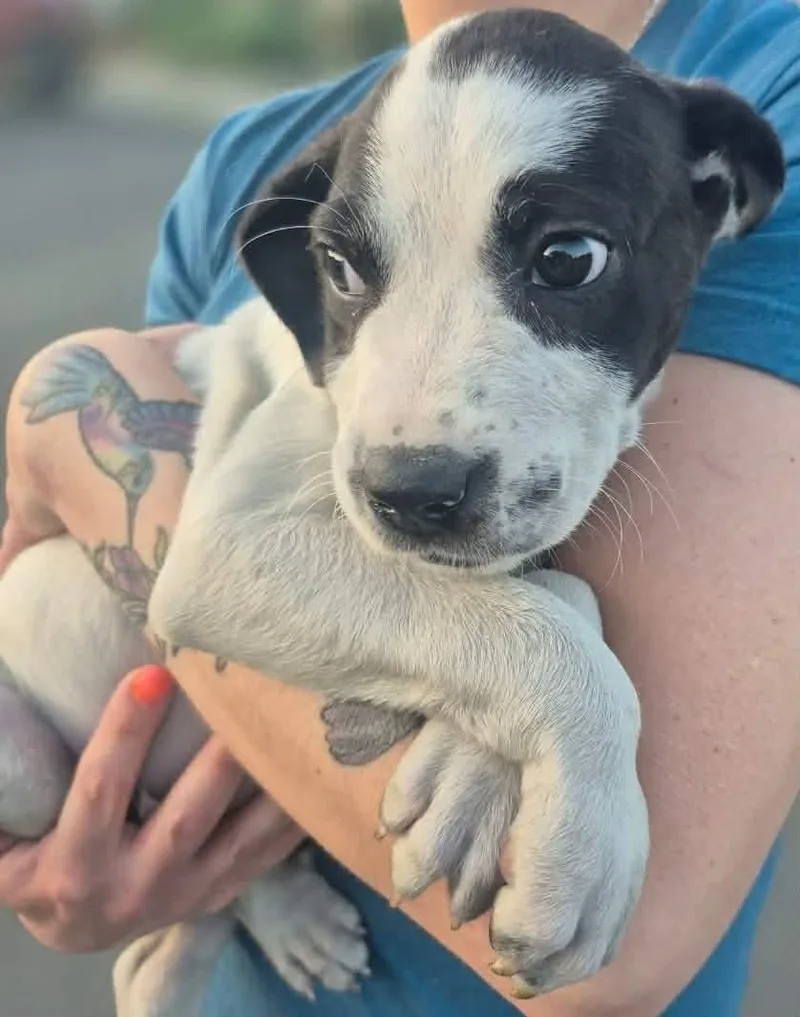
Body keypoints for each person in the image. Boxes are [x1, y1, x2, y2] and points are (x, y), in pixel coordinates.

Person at [1, 0, 798, 1014]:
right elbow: (209, 585)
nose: (411, 435)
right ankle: (238, 902)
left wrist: (62, 416)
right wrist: (548, 685)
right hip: (47, 719)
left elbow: (611, 965)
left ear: (726, 199)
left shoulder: (761, 78)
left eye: (563, 261)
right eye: (346, 268)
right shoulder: (251, 160)